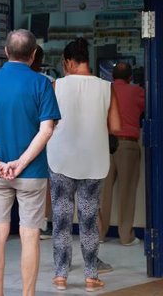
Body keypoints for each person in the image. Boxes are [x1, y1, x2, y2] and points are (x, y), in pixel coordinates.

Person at [0, 29, 61, 296]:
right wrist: (21, 163)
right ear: (33, 56)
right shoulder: (41, 84)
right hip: (31, 172)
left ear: (6, 52)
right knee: (30, 235)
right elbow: (46, 130)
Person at [46, 38, 121, 292]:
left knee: (61, 219)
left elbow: (46, 125)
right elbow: (116, 127)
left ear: (68, 62)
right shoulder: (106, 87)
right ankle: (91, 276)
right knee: (89, 220)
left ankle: (60, 276)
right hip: (93, 161)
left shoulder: (56, 85)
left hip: (60, 160)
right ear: (86, 60)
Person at [99, 62, 145, 246]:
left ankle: (99, 234)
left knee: (104, 192)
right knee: (127, 192)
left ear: (112, 77)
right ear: (130, 77)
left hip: (106, 144)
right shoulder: (137, 91)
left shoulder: (105, 91)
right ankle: (126, 236)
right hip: (128, 145)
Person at [31, 45, 55, 240]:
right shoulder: (48, 82)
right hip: (44, 144)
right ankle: (42, 223)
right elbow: (52, 121)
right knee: (43, 185)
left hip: (1, 158)